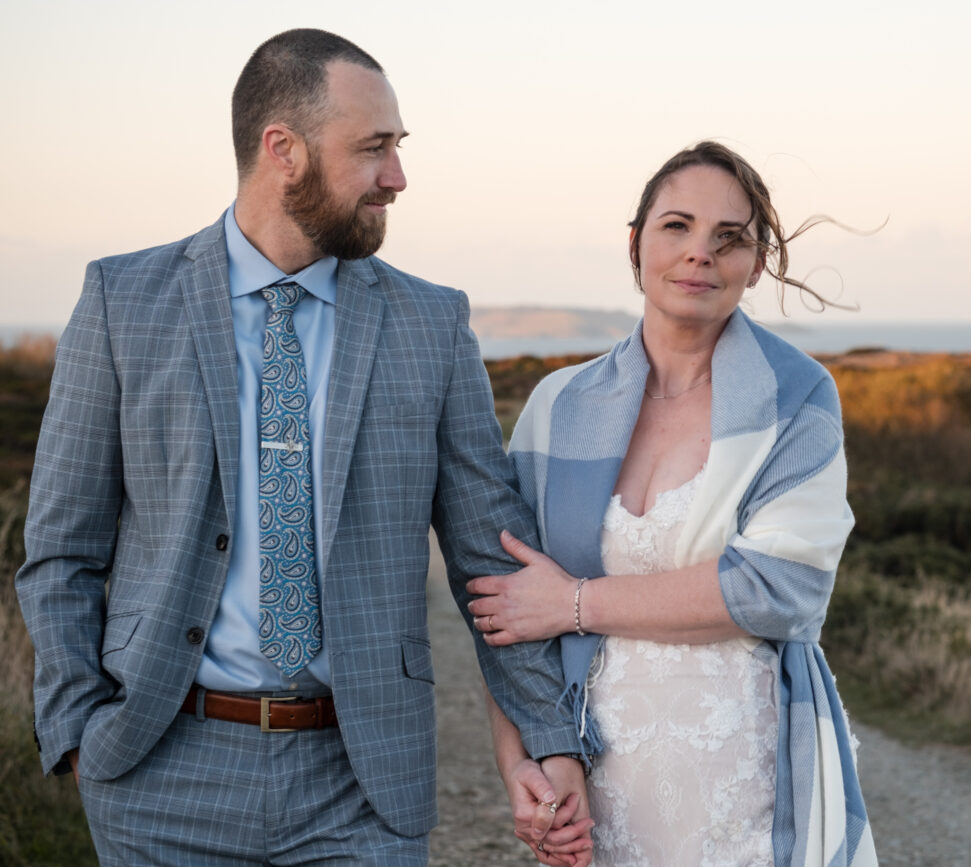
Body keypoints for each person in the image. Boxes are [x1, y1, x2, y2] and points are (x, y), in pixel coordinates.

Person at [15, 28, 589, 865]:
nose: (398, 176)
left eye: (398, 146)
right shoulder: (122, 300)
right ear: (282, 150)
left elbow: (489, 563)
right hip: (158, 770)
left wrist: (548, 737)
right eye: (374, 148)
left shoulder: (432, 324)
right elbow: (61, 548)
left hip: (360, 781)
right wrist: (76, 730)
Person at [466, 141, 878, 866]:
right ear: (635, 244)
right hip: (597, 783)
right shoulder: (557, 405)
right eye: (677, 226)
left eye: (730, 238)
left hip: (746, 784)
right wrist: (525, 763)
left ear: (756, 262)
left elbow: (779, 587)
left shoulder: (798, 397)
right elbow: (507, 610)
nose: (700, 255)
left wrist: (576, 604)